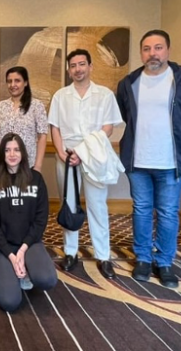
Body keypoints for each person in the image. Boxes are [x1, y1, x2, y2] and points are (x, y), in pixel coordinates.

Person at [117, 30, 181, 289]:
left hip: (172, 163)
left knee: (168, 212)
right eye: (147, 49)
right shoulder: (129, 83)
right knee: (141, 210)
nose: (152, 53)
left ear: (167, 50)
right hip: (138, 161)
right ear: (141, 53)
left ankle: (165, 262)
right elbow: (127, 115)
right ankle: (144, 259)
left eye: (158, 48)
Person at [48, 49, 123, 279]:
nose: (78, 69)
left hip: (94, 154)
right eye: (73, 65)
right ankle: (70, 252)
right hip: (67, 156)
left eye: (82, 64)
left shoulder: (105, 95)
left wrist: (83, 151)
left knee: (97, 205)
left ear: (90, 66)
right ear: (69, 69)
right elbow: (55, 127)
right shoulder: (61, 95)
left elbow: (108, 128)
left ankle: (103, 255)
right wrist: (61, 152)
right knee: (69, 204)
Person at [0, 133, 57, 312]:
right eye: (7, 150)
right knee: (9, 301)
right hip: (2, 247)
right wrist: (11, 255)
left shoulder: (36, 179)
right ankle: (10, 269)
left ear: (23, 153)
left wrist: (23, 250)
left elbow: (40, 220)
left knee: (47, 279)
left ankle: (27, 267)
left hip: (29, 243)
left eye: (16, 149)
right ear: (2, 153)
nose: (12, 154)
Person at [0, 66, 48, 172]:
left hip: (28, 166)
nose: (13, 85)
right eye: (9, 81)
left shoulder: (36, 106)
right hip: (2, 166)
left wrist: (37, 166)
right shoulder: (0, 106)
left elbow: (42, 136)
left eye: (17, 81)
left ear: (25, 83)